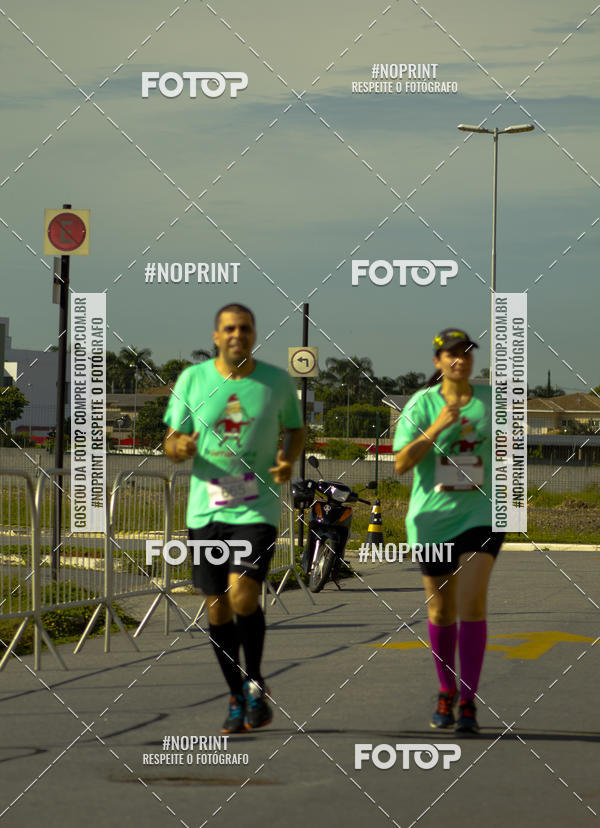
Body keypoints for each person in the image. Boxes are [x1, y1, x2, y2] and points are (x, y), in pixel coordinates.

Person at [163, 304, 304, 733]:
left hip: (255, 505)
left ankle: (255, 679)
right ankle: (237, 694)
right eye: (229, 329)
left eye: (244, 328)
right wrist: (180, 448)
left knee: (243, 593)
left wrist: (286, 460)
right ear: (216, 336)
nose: (237, 335)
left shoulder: (276, 381)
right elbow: (171, 438)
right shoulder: (194, 379)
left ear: (254, 333)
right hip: (206, 509)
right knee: (217, 606)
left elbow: (295, 429)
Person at [393, 329, 505, 735]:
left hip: (481, 515)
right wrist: (437, 426)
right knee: (441, 609)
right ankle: (446, 691)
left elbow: (510, 454)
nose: (460, 360)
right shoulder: (422, 405)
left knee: (473, 603)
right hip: (433, 519)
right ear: (438, 360)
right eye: (451, 354)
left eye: (466, 353)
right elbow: (401, 464)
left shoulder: (493, 402)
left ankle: (470, 702)